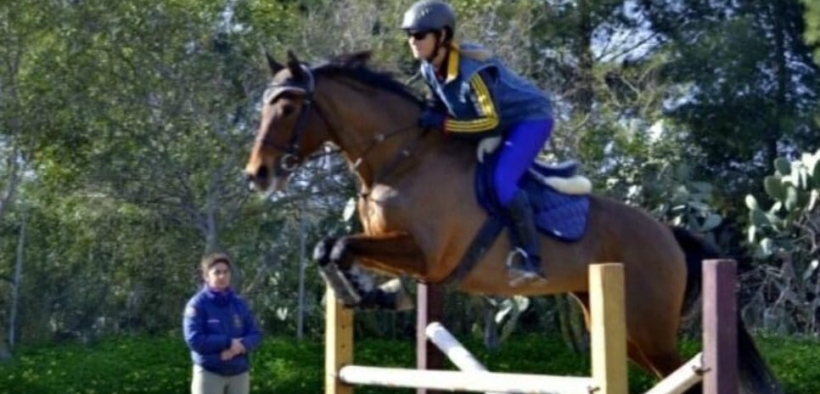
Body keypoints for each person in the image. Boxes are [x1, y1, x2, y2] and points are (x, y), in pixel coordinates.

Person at [401, 0, 554, 286]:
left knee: (501, 181)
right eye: (409, 35)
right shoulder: (428, 68)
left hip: (529, 119)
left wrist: (443, 124)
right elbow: (442, 103)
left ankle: (531, 259)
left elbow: (489, 122)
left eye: (419, 35)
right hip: (493, 123)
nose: (412, 41)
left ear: (442, 36)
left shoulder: (473, 72)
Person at [183, 252, 263, 394]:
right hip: (209, 373)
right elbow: (195, 340)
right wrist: (227, 342)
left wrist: (238, 347)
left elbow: (255, 333)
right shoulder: (197, 305)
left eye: (226, 272)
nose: (222, 276)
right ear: (206, 276)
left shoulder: (239, 303)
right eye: (217, 272)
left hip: (239, 373)